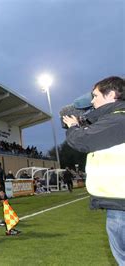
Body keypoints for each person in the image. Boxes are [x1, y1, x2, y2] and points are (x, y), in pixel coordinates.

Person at [62, 76, 125, 264]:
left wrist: (73, 126)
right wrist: (82, 121)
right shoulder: (115, 119)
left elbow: (83, 141)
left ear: (111, 95)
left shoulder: (119, 119)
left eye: (95, 95)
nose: (91, 101)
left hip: (121, 204)